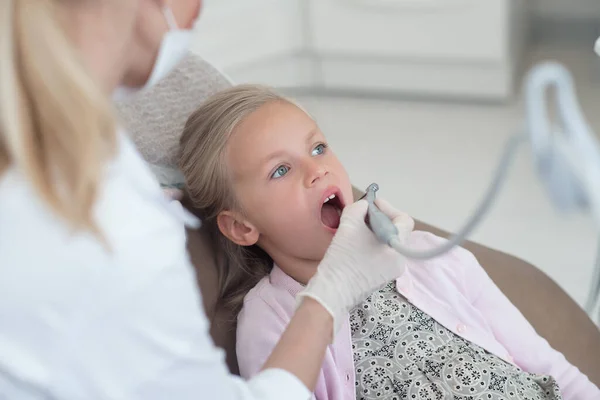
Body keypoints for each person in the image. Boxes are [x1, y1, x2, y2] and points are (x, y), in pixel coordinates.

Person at [0, 1, 412, 399]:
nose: (199, 10)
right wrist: (332, 290)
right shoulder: (122, 233)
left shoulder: (93, 168)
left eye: (319, 148)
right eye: (280, 170)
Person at [178, 84, 600, 400]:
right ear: (240, 227)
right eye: (280, 171)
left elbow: (548, 366)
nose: (317, 171)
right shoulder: (271, 317)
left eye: (319, 147)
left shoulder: (433, 258)